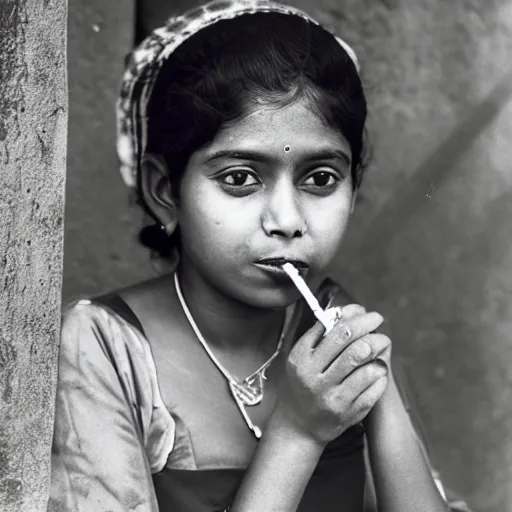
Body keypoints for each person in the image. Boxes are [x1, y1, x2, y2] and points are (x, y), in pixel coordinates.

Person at [48, 1, 453, 511]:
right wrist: (299, 432)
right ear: (164, 191)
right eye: (239, 178)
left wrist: (380, 391)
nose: (287, 219)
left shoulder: (330, 325)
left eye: (321, 179)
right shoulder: (102, 349)